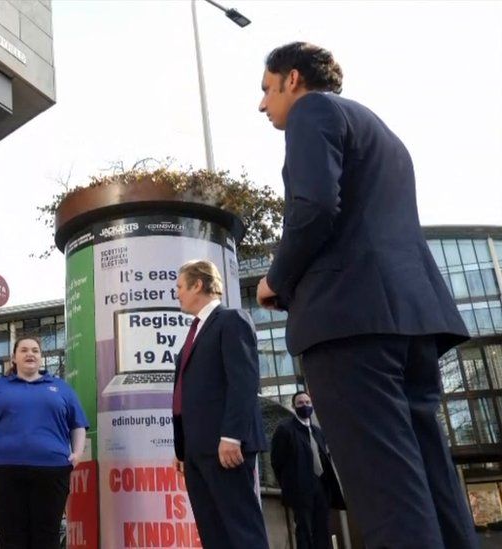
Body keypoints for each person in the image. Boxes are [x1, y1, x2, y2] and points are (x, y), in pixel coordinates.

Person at [255, 41, 477, 548]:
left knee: (385, 489)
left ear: (293, 79)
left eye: (267, 89)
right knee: (430, 477)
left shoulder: (313, 111)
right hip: (412, 324)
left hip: (350, 327)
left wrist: (277, 279)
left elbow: (313, 207)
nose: (263, 104)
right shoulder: (382, 132)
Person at [172, 260, 268, 549]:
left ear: (198, 284)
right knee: (213, 535)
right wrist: (182, 448)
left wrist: (231, 436)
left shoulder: (231, 320)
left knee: (241, 532)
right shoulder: (195, 332)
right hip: (196, 452)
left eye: (179, 287)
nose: (176, 294)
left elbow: (244, 382)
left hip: (225, 448)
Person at [0, 336, 88, 549]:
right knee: (11, 535)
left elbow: (78, 424)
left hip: (52, 471)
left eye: (35, 350)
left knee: (47, 535)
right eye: (24, 350)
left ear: (41, 357)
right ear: (14, 357)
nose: (30, 354)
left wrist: (77, 454)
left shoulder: (61, 388)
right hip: (3, 471)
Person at [271, 391, 344, 549]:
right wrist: (288, 485)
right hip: (301, 490)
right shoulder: (285, 430)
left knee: (323, 529)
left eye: (307, 403)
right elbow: (277, 462)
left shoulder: (318, 431)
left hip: (321, 487)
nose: (305, 406)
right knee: (304, 531)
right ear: (293, 406)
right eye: (300, 403)